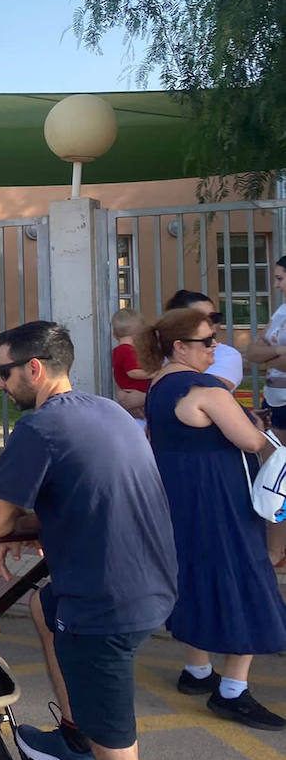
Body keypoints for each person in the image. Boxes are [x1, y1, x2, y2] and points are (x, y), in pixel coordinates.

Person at [0, 321, 177, 760]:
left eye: (5, 371)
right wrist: (40, 524)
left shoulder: (39, 428)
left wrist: (14, 525)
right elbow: (92, 490)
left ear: (35, 369)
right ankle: (73, 736)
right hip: (154, 584)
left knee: (119, 759)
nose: (1, 383)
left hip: (104, 607)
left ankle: (89, 750)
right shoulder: (105, 410)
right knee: (45, 606)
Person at [139, 307, 286, 729]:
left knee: (196, 575)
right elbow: (251, 439)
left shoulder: (159, 384)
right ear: (180, 346)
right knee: (246, 579)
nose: (215, 346)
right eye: (207, 341)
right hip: (221, 497)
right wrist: (253, 424)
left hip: (180, 496)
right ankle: (233, 691)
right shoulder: (207, 388)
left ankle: (197, 670)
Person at [165, 289, 243, 389]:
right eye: (199, 318)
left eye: (213, 317)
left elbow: (207, 390)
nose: (209, 323)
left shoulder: (227, 354)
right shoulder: (157, 353)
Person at [244, 256, 286, 428]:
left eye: (280, 279)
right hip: (272, 397)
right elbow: (252, 352)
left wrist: (265, 355)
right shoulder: (281, 311)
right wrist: (279, 351)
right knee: (274, 454)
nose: (276, 285)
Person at [110, 309, 152, 420]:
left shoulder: (119, 350)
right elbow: (133, 372)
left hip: (128, 392)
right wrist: (153, 373)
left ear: (115, 335)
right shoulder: (127, 350)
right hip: (134, 391)